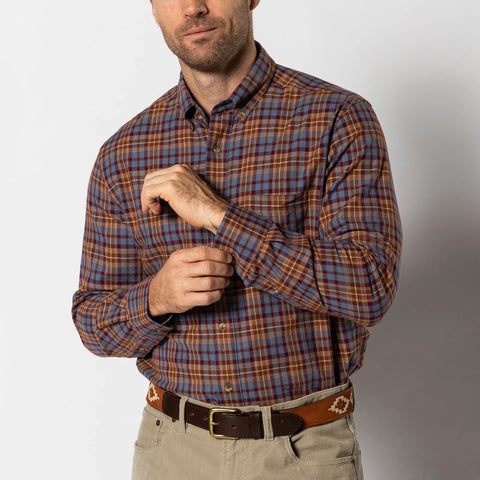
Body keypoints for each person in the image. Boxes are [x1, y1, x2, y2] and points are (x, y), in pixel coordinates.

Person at [72, 1, 402, 479]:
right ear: (153, 9)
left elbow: (369, 287)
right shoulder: (124, 152)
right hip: (171, 453)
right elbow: (93, 322)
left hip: (303, 452)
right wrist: (156, 297)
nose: (193, 7)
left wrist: (219, 216)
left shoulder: (336, 118)